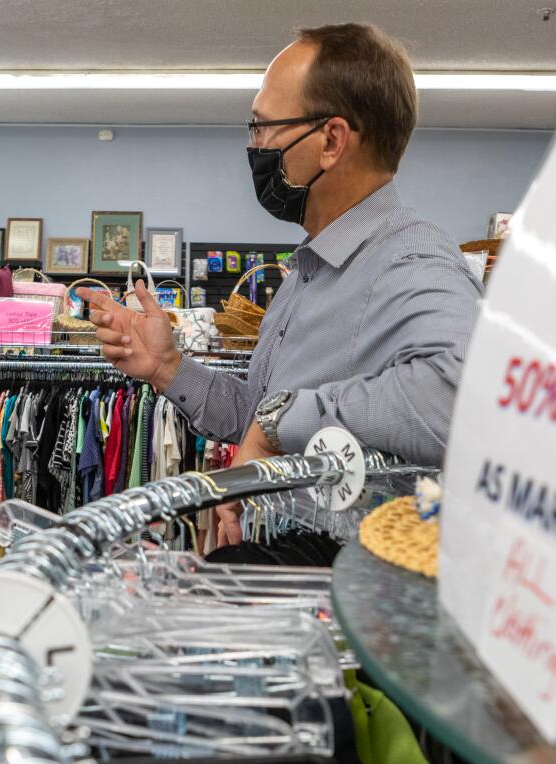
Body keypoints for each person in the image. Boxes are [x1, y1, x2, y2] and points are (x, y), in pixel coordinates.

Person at [82, 23, 483, 547]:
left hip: (342, 584)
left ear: (332, 141)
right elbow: (257, 414)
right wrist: (168, 367)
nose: (255, 145)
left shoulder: (408, 257)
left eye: (264, 127)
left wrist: (280, 421)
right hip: (286, 567)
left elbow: (465, 399)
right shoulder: (308, 274)